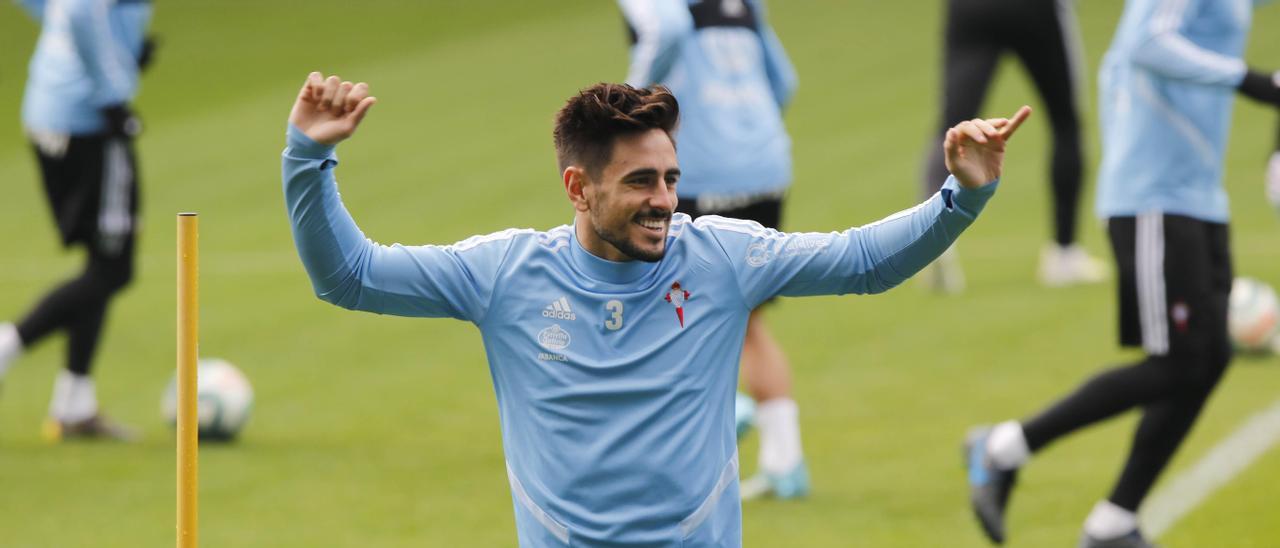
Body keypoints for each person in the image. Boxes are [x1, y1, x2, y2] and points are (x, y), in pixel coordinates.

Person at [283, 72, 1028, 545]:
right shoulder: (506, 274)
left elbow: (862, 263)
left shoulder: (721, 258)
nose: (666, 201)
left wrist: (962, 198)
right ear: (579, 189)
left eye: (671, 178)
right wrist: (308, 158)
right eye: (642, 182)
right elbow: (348, 275)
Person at [965, 0, 1280, 545]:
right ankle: (1001, 447)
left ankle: (1114, 521)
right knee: (1179, 362)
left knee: (1208, 360)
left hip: (1199, 191)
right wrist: (1249, 80)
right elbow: (1143, 44)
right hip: (1152, 194)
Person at [616, 0, 808, 499]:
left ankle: (726, 407)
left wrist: (626, 115)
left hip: (694, 175)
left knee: (646, 306)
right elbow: (783, 81)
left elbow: (670, 28)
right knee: (750, 319)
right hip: (765, 169)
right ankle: (787, 464)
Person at [0, 0, 154, 441]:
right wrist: (110, 89)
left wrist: (117, 51)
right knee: (113, 267)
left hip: (50, 113)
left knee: (99, 263)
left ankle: (74, 405)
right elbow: (84, 11)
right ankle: (7, 345)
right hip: (87, 122)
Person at [921, 0, 1105, 292]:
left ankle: (932, 242)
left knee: (952, 127)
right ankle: (1064, 253)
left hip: (969, 9)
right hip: (1034, 9)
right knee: (1065, 122)